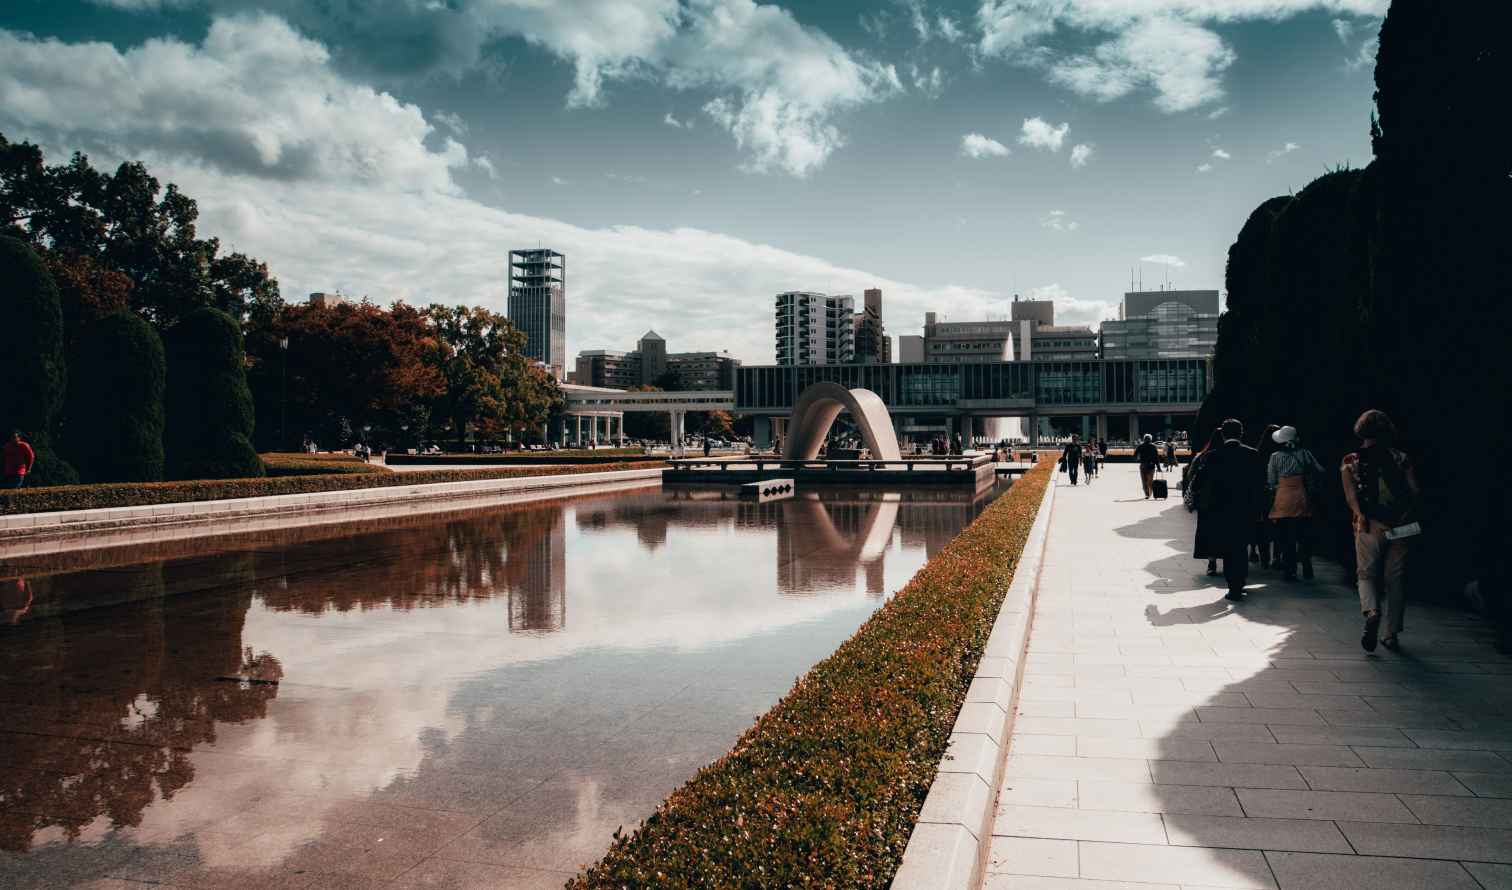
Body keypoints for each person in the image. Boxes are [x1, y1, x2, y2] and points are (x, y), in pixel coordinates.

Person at [1342, 409, 1420, 652]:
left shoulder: (1350, 461)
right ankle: (1391, 634)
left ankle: (1372, 611)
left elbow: (1351, 497)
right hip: (1401, 523)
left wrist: (1360, 514)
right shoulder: (1401, 458)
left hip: (1369, 523)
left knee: (1366, 574)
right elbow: (1415, 492)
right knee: (1396, 579)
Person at [1188, 419, 1266, 602]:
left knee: (1229, 549)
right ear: (1241, 433)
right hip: (1245, 509)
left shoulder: (1213, 456)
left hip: (1220, 510)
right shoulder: (1253, 454)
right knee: (1241, 547)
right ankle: (1239, 583)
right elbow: (1260, 484)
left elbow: (1199, 482)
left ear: (1223, 434)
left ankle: (1234, 586)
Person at [1267, 425, 1324, 582]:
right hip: (1301, 496)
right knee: (1303, 534)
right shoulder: (1305, 454)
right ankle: (1306, 564)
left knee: (1286, 536)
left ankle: (1289, 570)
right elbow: (1319, 470)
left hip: (1283, 497)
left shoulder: (1274, 457)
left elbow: (1271, 481)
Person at [1185, 427, 1224, 576]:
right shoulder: (1229, 456)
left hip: (1207, 500)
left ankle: (1211, 561)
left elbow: (1192, 477)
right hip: (1226, 500)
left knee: (1208, 531)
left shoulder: (1203, 457)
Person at [1251, 424, 1283, 567]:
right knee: (1279, 526)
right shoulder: (1281, 454)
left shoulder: (1257, 454)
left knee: (1262, 525)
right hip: (1280, 493)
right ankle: (1277, 557)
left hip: (1261, 495)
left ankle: (1264, 557)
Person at [1134, 434, 1160, 498]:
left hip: (1143, 465)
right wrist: (1158, 467)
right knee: (1150, 480)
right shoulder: (1153, 446)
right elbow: (1156, 458)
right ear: (1151, 439)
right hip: (1151, 465)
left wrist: (1138, 459)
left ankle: (1147, 493)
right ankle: (1149, 492)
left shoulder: (1140, 446)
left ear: (1144, 439)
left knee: (1144, 480)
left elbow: (1134, 455)